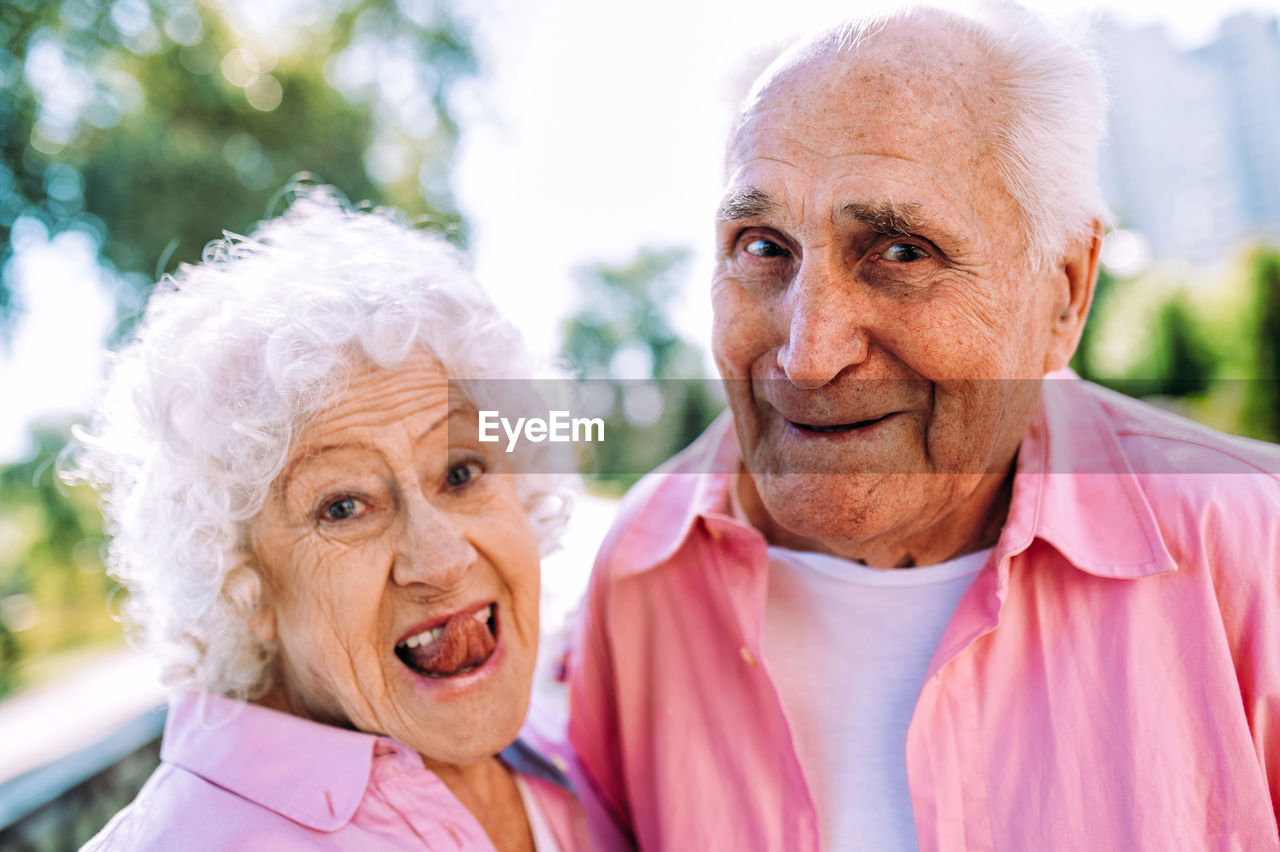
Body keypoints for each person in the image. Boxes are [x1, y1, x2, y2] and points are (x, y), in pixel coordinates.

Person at [568, 4, 1280, 850]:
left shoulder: (1250, 541)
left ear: (1065, 291)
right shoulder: (643, 567)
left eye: (900, 252)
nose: (807, 354)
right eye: (764, 247)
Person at [75, 188, 592, 850]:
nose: (440, 560)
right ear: (244, 584)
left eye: (460, 473)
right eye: (343, 506)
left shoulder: (564, 755)